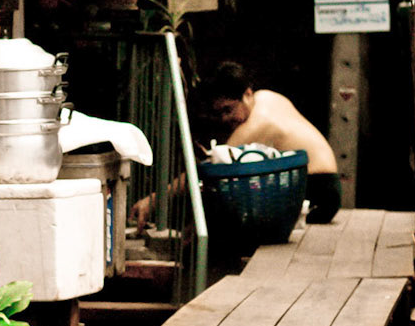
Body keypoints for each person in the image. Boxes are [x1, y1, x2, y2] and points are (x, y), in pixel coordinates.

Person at [132, 60, 342, 228]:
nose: (224, 119)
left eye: (228, 110)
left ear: (247, 94)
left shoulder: (257, 124)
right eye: (219, 113)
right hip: (324, 187)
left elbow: (207, 170)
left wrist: (153, 200)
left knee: (219, 192)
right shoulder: (268, 97)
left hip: (317, 194)